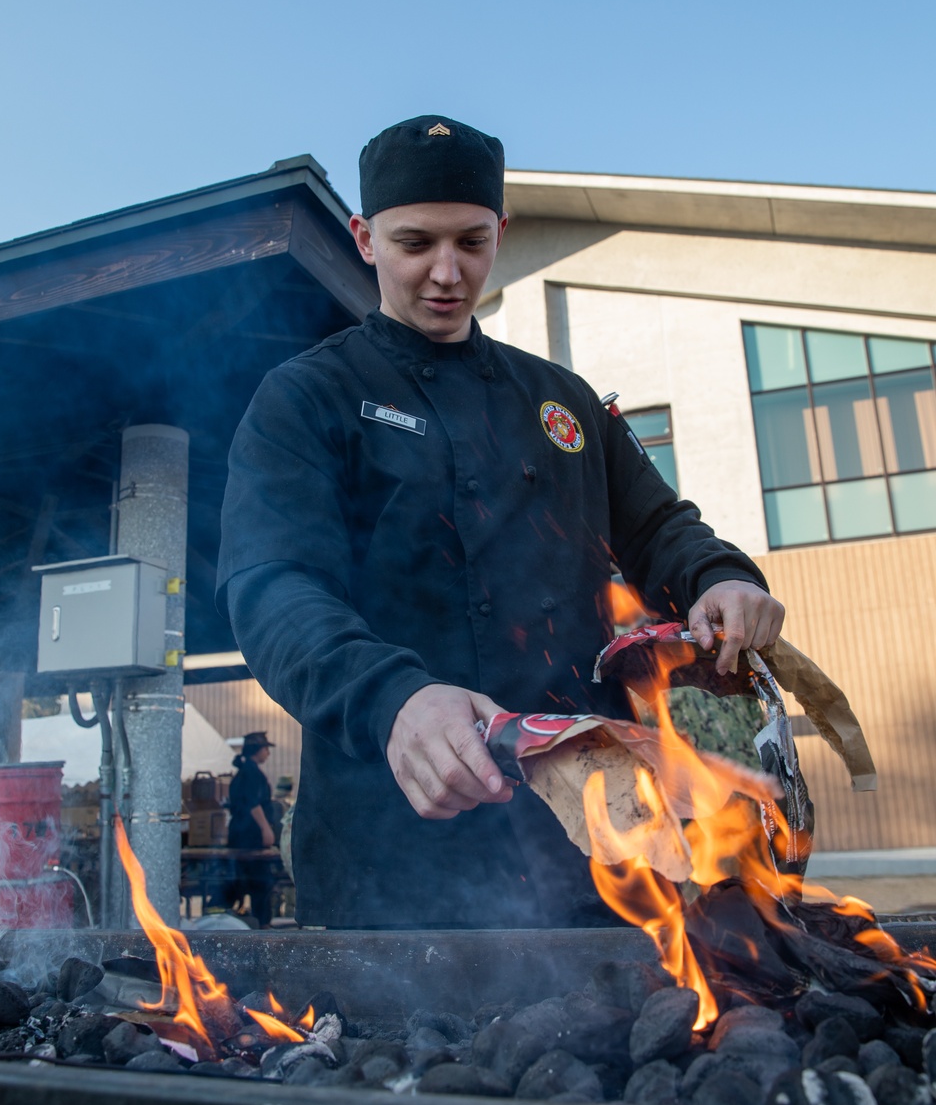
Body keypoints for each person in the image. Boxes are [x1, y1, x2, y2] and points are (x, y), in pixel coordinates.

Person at [217, 114, 785, 930]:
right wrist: (394, 699)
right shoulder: (307, 398)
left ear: (499, 233)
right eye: (415, 243)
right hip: (394, 848)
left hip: (596, 837)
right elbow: (273, 591)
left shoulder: (564, 401)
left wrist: (720, 575)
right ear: (364, 238)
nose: (447, 273)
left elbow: (661, 527)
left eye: (471, 243)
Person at [226, 731, 278, 927]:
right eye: (266, 749)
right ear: (258, 750)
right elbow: (252, 803)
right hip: (249, 835)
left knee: (245, 879)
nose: (268, 754)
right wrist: (266, 829)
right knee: (260, 881)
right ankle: (261, 924)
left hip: (241, 834)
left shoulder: (246, 771)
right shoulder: (251, 773)